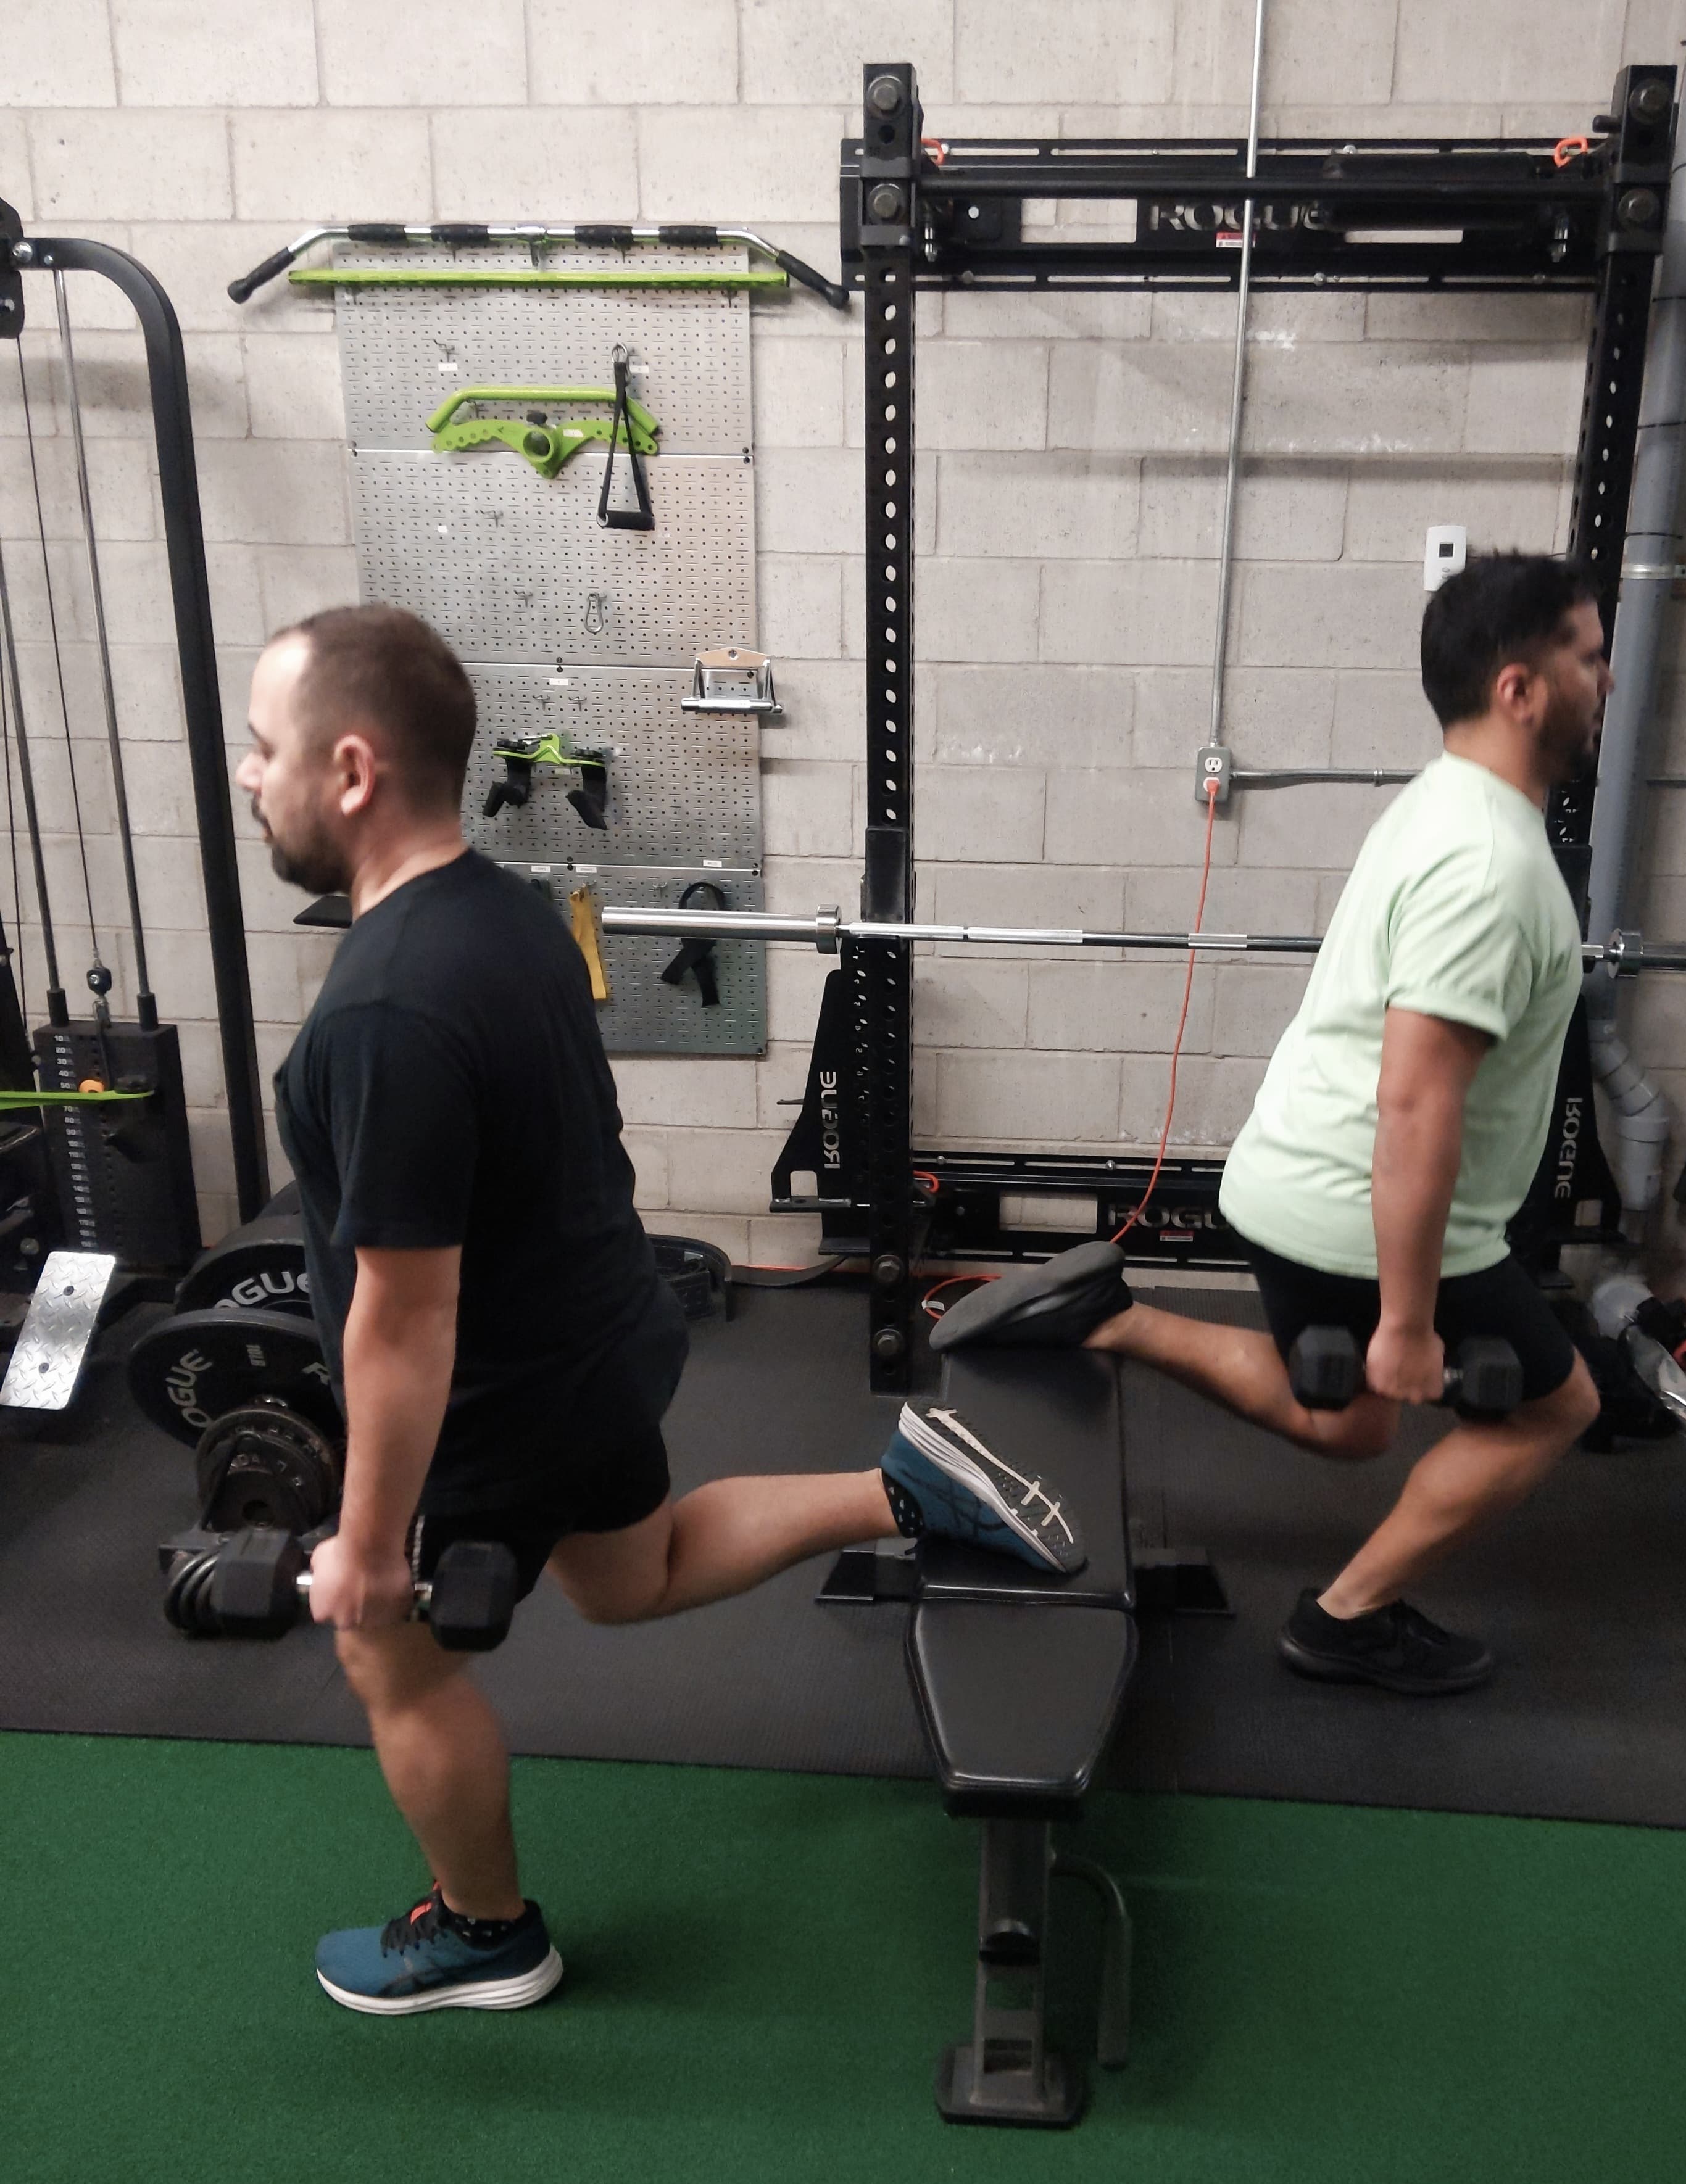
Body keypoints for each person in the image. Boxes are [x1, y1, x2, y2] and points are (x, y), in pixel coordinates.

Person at [238, 604, 1082, 2015]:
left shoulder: (382, 1009)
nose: (251, 776)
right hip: (603, 1341)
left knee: (387, 1653)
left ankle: (486, 1932)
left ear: (352, 769)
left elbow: (400, 1317)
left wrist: (371, 1543)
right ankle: (907, 1488)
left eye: (266, 750)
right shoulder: (506, 909)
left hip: (493, 1403)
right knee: (628, 1575)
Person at [934, 553, 1606, 1694]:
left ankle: (1120, 1324)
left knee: (1347, 1426)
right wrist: (1405, 1317)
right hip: (1370, 1216)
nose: (1604, 677)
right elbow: (1417, 1096)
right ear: (1520, 689)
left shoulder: (1442, 800)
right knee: (1555, 1411)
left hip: (1294, 1186)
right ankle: (1348, 1618)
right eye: (1588, 656)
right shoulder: (1490, 862)